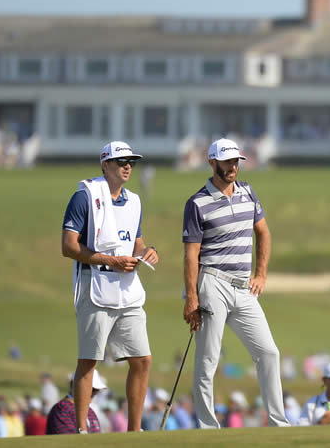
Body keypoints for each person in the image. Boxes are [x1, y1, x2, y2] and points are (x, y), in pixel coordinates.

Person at [182, 138, 289, 429]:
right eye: (227, 162)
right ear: (212, 162)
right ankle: (207, 426)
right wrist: (191, 297)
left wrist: (262, 273)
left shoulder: (248, 192)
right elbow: (191, 255)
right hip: (212, 282)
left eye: (236, 162)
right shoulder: (197, 203)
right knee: (208, 360)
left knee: (268, 352)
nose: (232, 167)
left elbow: (263, 233)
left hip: (244, 287)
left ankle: (279, 422)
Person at [61, 141, 159, 433]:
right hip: (95, 285)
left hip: (128, 289)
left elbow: (136, 243)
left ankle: (134, 431)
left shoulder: (135, 201)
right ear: (105, 165)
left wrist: (146, 252)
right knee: (89, 361)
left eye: (131, 162)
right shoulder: (85, 196)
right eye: (121, 162)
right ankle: (81, 430)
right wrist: (110, 260)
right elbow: (68, 247)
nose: (127, 166)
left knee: (142, 360)